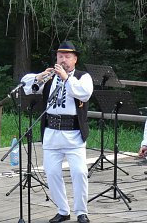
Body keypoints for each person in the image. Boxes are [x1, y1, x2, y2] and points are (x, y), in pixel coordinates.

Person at [21, 41, 93, 223]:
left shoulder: (83, 77)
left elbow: (83, 93)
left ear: (75, 59)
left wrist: (66, 78)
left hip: (74, 134)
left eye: (67, 57)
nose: (63, 60)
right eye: (60, 56)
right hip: (52, 133)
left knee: (79, 172)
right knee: (52, 173)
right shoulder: (50, 77)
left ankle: (81, 212)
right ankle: (63, 210)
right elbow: (27, 86)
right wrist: (40, 77)